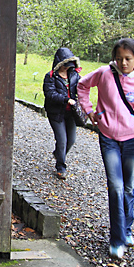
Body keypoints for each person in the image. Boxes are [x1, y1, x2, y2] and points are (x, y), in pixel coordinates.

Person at [77, 38, 134, 260]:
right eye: (119, 58)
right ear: (114, 58)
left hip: (133, 139)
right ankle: (117, 239)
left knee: (128, 188)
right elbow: (82, 85)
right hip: (108, 138)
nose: (123, 63)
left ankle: (127, 229)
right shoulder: (105, 73)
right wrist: (88, 110)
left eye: (128, 59)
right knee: (116, 186)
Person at [43, 47, 82, 180]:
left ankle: (58, 154)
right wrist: (66, 100)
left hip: (71, 113)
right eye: (64, 65)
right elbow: (50, 94)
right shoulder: (50, 77)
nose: (67, 68)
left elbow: (82, 88)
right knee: (62, 140)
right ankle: (61, 167)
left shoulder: (75, 75)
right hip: (56, 113)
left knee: (71, 140)